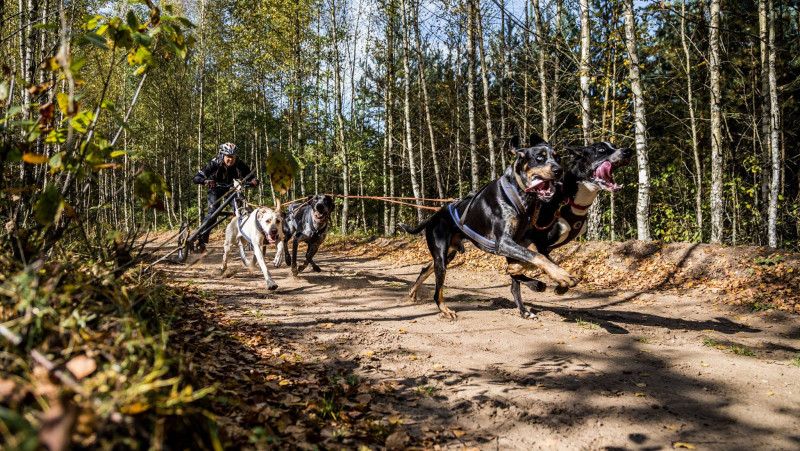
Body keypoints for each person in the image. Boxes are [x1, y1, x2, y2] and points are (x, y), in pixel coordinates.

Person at [192, 142, 259, 252]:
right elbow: (197, 178)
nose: (230, 160)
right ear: (222, 156)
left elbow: (250, 175)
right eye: (228, 157)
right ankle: (201, 240)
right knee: (213, 212)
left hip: (232, 189)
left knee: (242, 211)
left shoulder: (238, 163)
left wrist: (253, 181)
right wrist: (206, 181)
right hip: (215, 188)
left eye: (233, 157)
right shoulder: (215, 163)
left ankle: (248, 240)